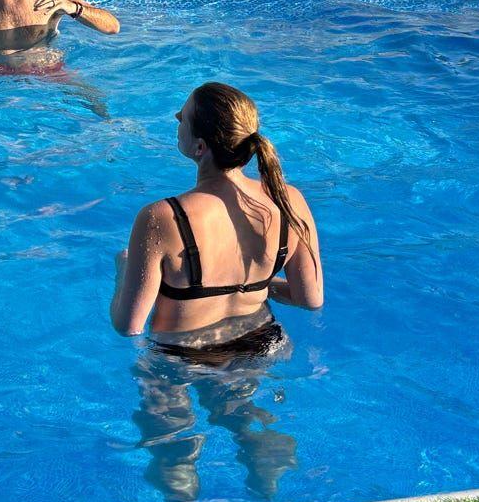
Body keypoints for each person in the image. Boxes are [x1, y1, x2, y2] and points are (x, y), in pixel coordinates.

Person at [110, 82, 323, 363]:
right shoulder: (289, 200)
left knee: (168, 408)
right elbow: (309, 299)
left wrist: (123, 273)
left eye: (183, 116)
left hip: (181, 356)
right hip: (262, 343)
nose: (176, 117)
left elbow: (129, 327)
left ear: (200, 147)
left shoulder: (161, 218)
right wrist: (254, 284)